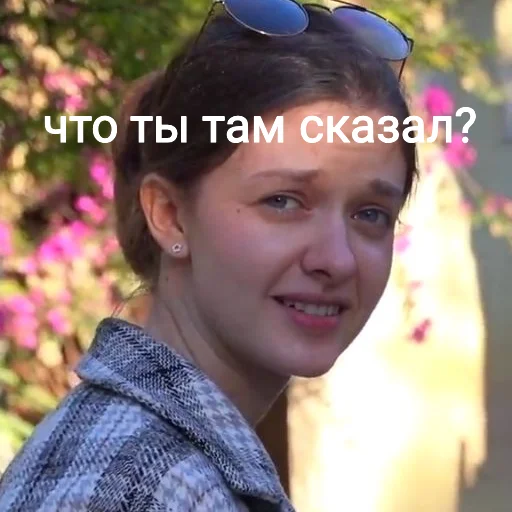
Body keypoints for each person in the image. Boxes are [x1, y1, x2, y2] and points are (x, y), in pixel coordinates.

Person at [0, 1, 417, 510]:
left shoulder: (169, 467)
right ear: (170, 215)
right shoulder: (143, 489)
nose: (338, 259)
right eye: (283, 201)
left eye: (371, 213)